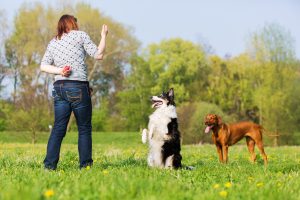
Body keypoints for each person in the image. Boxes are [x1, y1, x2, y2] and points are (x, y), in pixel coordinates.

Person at [40, 14, 108, 170]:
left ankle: (49, 166)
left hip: (59, 88)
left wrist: (59, 71)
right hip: (78, 87)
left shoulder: (53, 41)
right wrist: (103, 36)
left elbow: (43, 66)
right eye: (75, 23)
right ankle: (85, 166)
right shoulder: (80, 35)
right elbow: (98, 55)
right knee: (84, 128)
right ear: (71, 24)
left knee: (58, 128)